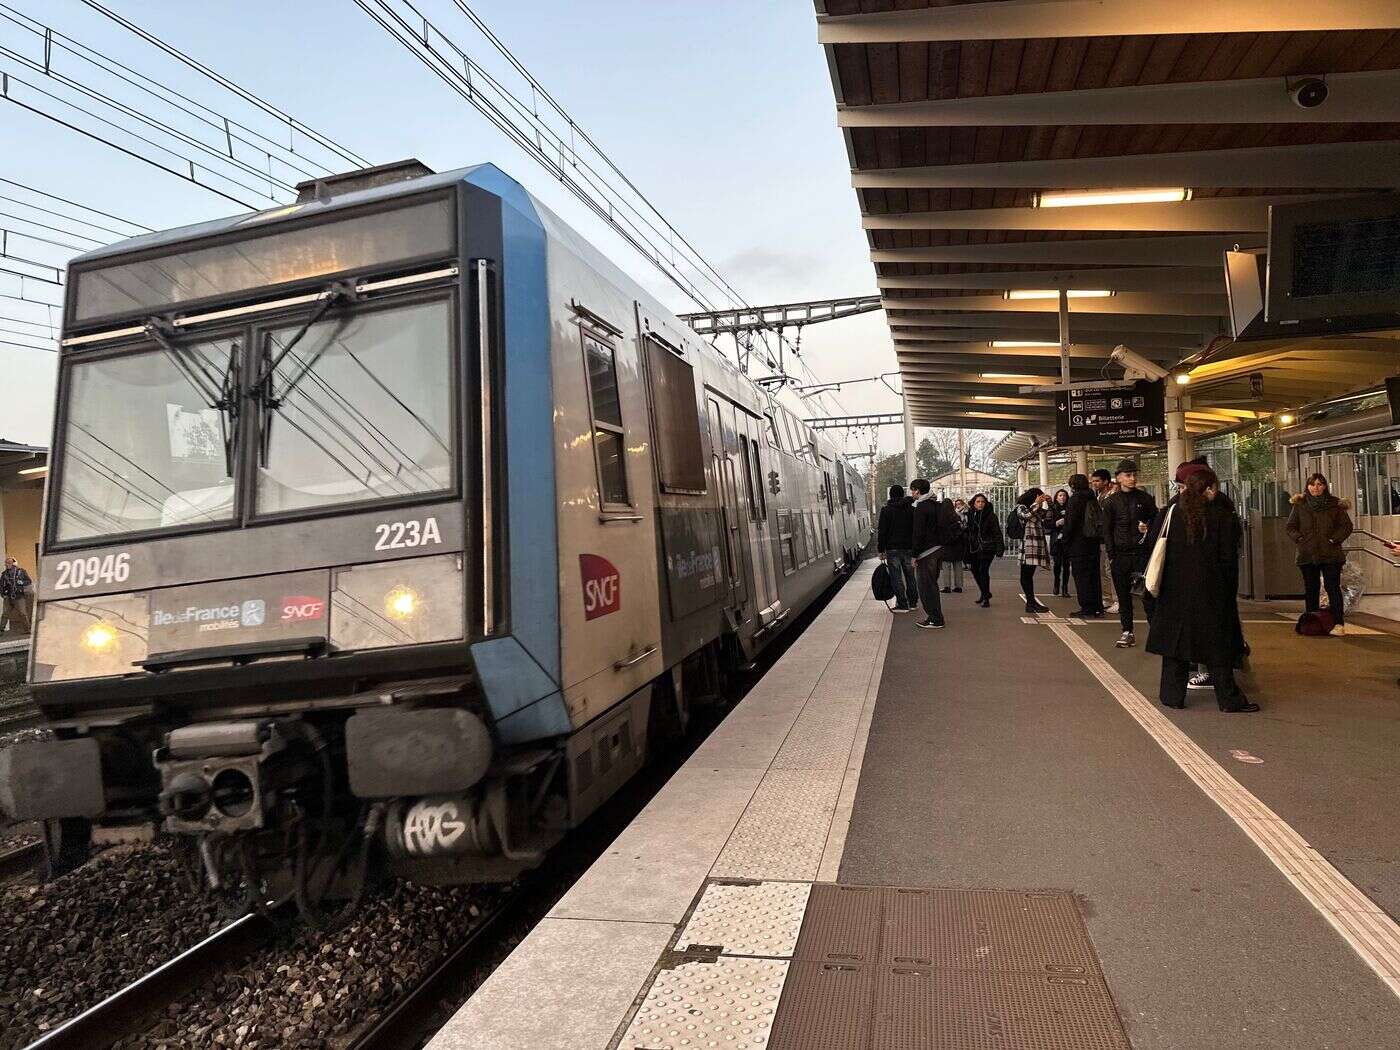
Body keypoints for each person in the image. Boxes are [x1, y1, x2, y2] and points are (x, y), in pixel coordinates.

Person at [1145, 467, 1258, 712]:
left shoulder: (1173, 513)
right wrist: (1229, 592)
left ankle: (1171, 696)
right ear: (1209, 489)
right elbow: (1229, 561)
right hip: (1212, 591)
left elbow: (1155, 543)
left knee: (1176, 645)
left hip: (1174, 591)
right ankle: (1228, 699)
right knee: (1218, 646)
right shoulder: (1222, 518)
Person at [1286, 472, 1354, 629]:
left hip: (1330, 553)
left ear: (1325, 486)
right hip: (1307, 553)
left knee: (1332, 588)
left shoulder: (1335, 505)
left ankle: (1338, 623)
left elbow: (1346, 526)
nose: (1315, 487)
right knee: (1311, 588)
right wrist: (1299, 538)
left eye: (1319, 484)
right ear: (1307, 486)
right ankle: (1312, 623)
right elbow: (1290, 527)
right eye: (1312, 484)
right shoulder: (1300, 505)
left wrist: (1334, 539)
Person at [1102, 459, 1159, 648]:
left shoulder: (1145, 499)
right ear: (1118, 478)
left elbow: (1157, 522)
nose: (1132, 478)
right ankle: (1127, 631)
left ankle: (1156, 634)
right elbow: (1107, 531)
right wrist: (1111, 555)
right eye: (1128, 475)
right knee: (1123, 597)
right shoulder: (1111, 502)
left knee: (1148, 595)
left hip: (1143, 555)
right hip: (1120, 556)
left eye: (1134, 474)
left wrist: (1148, 528)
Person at [909, 478, 962, 630]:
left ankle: (935, 619)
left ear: (918, 491)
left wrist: (914, 554)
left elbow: (918, 534)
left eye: (913, 490)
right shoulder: (936, 505)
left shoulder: (921, 507)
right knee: (932, 584)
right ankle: (936, 616)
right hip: (939, 550)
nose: (912, 493)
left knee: (926, 586)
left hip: (926, 553)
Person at [1061, 473, 1106, 617]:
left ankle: (1086, 608)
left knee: (1081, 576)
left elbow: (1070, 523)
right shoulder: (1092, 497)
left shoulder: (1075, 499)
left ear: (1073, 485)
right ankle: (1097, 606)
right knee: (1094, 575)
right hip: (1093, 542)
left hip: (1078, 544)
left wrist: (1065, 540)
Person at [876, 484, 918, 613]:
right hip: (909, 548)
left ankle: (902, 603)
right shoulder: (912, 510)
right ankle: (913, 603)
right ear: (903, 494)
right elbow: (916, 530)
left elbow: (882, 531)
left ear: (890, 495)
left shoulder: (886, 510)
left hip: (892, 549)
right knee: (910, 576)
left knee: (896, 577)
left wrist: (881, 549)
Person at [1015, 488, 1052, 614]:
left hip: (1037, 544)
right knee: (1026, 574)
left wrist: (1049, 503)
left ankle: (1031, 602)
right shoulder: (1021, 507)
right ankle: (1030, 603)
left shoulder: (1035, 507)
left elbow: (1047, 515)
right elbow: (1026, 515)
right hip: (1028, 545)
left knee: (1029, 574)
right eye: (1039, 496)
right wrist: (1036, 503)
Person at [963, 493, 1004, 607]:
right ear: (974, 503)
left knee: (983, 570)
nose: (980, 504)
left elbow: (997, 533)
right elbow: (969, 530)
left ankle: (986, 598)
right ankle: (984, 592)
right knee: (975, 570)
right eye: (978, 502)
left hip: (987, 547)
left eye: (982, 502)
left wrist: (999, 548)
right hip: (974, 547)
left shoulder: (991, 516)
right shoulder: (970, 514)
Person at [1046, 488, 1071, 596]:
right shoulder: (1052, 509)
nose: (1062, 497)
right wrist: (1056, 523)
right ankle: (1056, 584)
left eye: (1064, 495)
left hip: (1067, 539)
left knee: (1066, 564)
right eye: (1060, 495)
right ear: (1056, 497)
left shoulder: (1070, 508)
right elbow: (1047, 524)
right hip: (1056, 539)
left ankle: (1065, 588)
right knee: (1057, 564)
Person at [0, 557, 33, 634]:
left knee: (23, 613)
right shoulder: (4, 574)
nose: (6, 565)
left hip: (19, 596)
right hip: (8, 596)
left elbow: (28, 581)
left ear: (13, 564)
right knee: (5, 614)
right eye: (6, 563)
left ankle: (27, 630)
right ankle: (1, 629)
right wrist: (2, 594)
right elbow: (1, 585)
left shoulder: (21, 572)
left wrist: (21, 582)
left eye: (8, 563)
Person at [941, 499, 967, 593]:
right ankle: (958, 586)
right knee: (958, 565)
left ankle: (947, 586)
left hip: (946, 545)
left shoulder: (941, 518)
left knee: (946, 565)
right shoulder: (956, 516)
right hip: (957, 544)